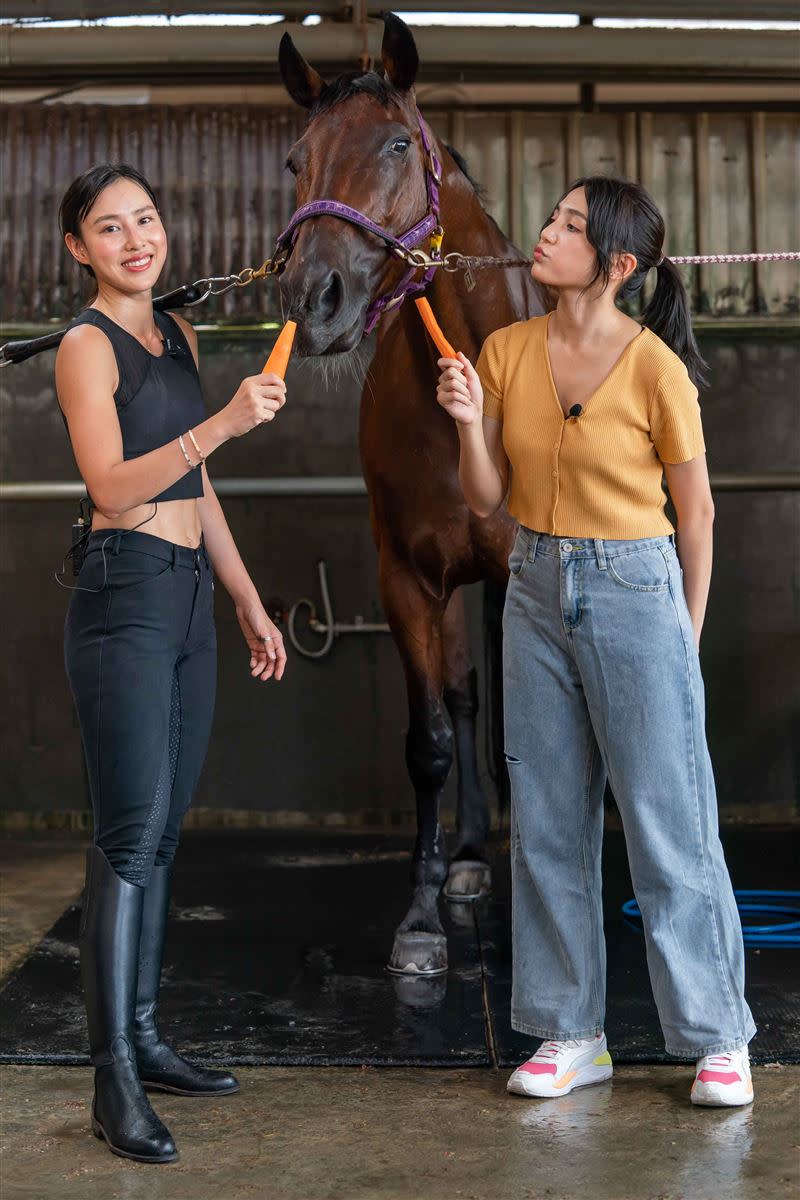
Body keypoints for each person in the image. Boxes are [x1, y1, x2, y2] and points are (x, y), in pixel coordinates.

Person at [435, 176, 755, 1108]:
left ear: (615, 264)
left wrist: (683, 638)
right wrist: (466, 421)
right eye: (552, 217)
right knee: (545, 820)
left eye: (570, 226)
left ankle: (718, 1035)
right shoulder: (504, 349)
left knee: (668, 821)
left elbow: (695, 515)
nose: (545, 234)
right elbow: (486, 497)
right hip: (532, 584)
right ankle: (572, 1033)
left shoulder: (656, 366)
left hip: (637, 587)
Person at [56, 162, 288, 1163]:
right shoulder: (84, 345)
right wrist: (225, 420)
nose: (134, 240)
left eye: (145, 219)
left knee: (163, 833)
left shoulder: (177, 336)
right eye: (110, 229)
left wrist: (243, 597)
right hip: (123, 592)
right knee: (127, 839)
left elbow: (197, 486)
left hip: (188, 594)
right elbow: (111, 485)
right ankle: (111, 1080)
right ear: (79, 250)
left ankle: (146, 1041)